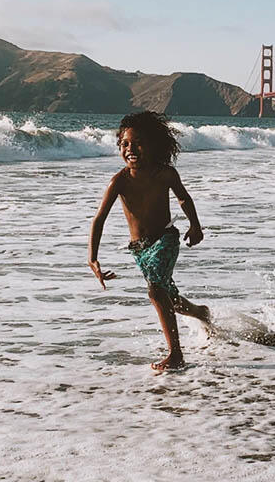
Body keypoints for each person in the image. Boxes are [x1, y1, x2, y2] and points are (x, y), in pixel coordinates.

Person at [88, 111, 211, 371]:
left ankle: (176, 354)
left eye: (138, 143)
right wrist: (93, 259)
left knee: (155, 291)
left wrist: (195, 225)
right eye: (125, 144)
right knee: (170, 299)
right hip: (140, 250)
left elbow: (183, 198)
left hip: (165, 239)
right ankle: (201, 312)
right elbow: (99, 219)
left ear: (154, 145)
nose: (131, 149)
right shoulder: (119, 181)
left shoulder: (165, 174)